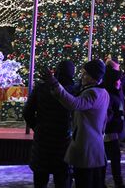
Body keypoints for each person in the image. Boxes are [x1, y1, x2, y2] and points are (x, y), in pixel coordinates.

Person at [42, 59, 110, 188]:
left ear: (93, 77)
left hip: (87, 147)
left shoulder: (93, 92)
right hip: (94, 145)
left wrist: (56, 85)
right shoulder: (101, 91)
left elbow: (74, 104)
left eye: (85, 74)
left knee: (84, 181)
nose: (82, 76)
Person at [23, 60, 75, 188]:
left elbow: (27, 112)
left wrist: (37, 126)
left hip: (43, 140)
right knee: (63, 180)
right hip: (64, 140)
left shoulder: (41, 88)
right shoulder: (73, 90)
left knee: (40, 179)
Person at [103, 65, 125, 188]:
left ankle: (118, 182)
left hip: (114, 133)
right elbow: (108, 116)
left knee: (114, 159)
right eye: (118, 80)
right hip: (109, 133)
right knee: (109, 159)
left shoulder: (115, 93)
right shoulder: (108, 95)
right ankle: (115, 182)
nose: (120, 82)